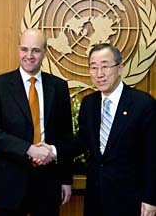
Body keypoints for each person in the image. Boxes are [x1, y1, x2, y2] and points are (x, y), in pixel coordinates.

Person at [66, 43, 156, 216]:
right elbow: (82, 142)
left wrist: (151, 198)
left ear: (120, 67)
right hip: (96, 197)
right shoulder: (89, 103)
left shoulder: (143, 104)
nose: (99, 74)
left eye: (105, 66)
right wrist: (53, 151)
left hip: (130, 199)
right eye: (94, 67)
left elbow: (153, 155)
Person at [0, 28, 73, 216]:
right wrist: (29, 149)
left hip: (48, 182)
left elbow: (65, 135)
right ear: (18, 50)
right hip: (9, 182)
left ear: (45, 52)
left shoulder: (58, 86)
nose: (29, 56)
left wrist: (66, 179)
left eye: (35, 50)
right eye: (24, 49)